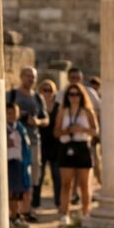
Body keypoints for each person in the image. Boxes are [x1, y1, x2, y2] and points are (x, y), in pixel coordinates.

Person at [7, 66, 49, 220]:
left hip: (33, 141)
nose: (30, 79)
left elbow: (46, 120)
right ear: (21, 76)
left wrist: (36, 121)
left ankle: (27, 209)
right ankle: (15, 212)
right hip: (14, 143)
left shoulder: (38, 98)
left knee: (31, 177)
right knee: (15, 176)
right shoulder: (11, 95)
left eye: (33, 76)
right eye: (28, 76)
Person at [54, 83, 98, 225]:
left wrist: (82, 129)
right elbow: (56, 132)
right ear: (67, 96)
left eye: (77, 94)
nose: (74, 97)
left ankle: (86, 212)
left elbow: (95, 131)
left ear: (81, 96)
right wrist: (67, 130)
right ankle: (65, 214)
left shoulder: (88, 111)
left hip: (82, 146)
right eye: (71, 94)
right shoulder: (63, 111)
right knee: (66, 184)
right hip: (66, 146)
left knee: (84, 184)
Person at [68, 67, 103, 184]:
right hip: (68, 140)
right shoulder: (63, 94)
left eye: (78, 78)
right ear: (68, 78)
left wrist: (88, 127)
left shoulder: (90, 93)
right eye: (73, 78)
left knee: (90, 168)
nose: (75, 80)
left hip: (87, 138)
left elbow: (99, 112)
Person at [5, 103, 33, 228]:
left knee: (18, 192)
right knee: (10, 192)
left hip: (19, 162)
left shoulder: (20, 128)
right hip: (7, 163)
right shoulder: (2, 129)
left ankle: (17, 215)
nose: (12, 116)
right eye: (9, 113)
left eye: (14, 113)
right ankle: (10, 216)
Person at [38, 79, 63, 209]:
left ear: (54, 92)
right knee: (39, 175)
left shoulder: (59, 106)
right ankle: (35, 203)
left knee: (56, 175)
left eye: (50, 90)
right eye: (44, 90)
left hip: (55, 144)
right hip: (40, 143)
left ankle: (58, 202)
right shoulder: (37, 105)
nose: (47, 93)